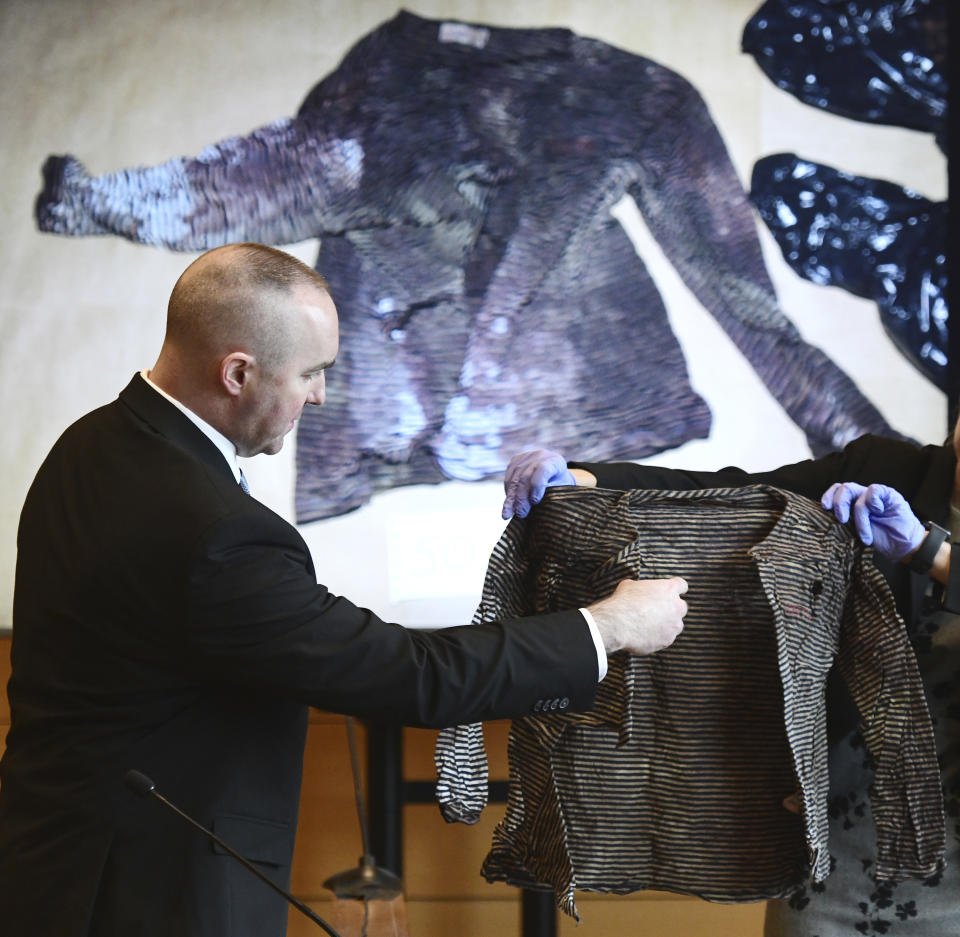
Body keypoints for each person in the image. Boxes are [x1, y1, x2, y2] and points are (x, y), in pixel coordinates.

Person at [0, 243, 689, 937]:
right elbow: (406, 674)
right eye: (311, 373)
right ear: (238, 372)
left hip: (50, 870)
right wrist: (606, 627)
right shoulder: (213, 531)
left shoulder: (88, 444)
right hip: (154, 895)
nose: (320, 395)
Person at [501, 434, 959, 936]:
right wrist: (579, 483)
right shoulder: (890, 468)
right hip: (848, 839)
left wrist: (928, 551)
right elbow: (728, 494)